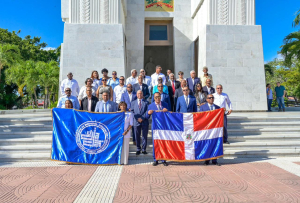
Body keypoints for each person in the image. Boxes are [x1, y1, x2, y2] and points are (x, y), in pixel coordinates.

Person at [147, 92, 169, 167]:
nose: (157, 98)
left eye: (158, 97)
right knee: (155, 143)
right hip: (155, 127)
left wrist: (167, 111)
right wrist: (148, 113)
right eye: (156, 97)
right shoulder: (151, 106)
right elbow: (147, 116)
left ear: (160, 97)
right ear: (154, 98)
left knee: (163, 143)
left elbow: (169, 115)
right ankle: (155, 159)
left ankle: (163, 159)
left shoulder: (165, 104)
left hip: (163, 127)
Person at [200, 94, 221, 166]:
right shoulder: (203, 107)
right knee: (207, 144)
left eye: (212, 97)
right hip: (206, 130)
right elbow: (200, 118)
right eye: (210, 98)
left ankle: (214, 160)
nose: (211, 99)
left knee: (214, 144)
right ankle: (207, 160)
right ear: (207, 99)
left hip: (215, 130)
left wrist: (224, 111)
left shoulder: (218, 108)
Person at [131, 90, 149, 155]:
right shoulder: (133, 102)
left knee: (144, 136)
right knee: (137, 136)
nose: (139, 95)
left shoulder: (146, 102)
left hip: (144, 121)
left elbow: (147, 111)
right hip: (136, 122)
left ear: (142, 94)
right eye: (138, 93)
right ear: (136, 94)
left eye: (141, 93)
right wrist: (137, 118)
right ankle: (138, 149)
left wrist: (142, 118)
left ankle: (144, 149)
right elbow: (132, 112)